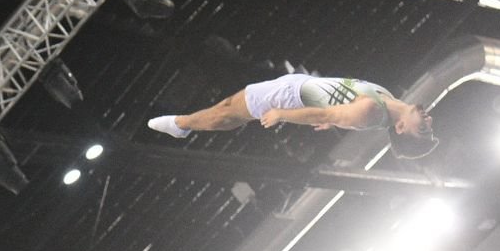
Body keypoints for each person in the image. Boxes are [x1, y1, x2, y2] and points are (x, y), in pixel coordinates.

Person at [147, 72, 437, 159]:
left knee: (228, 111)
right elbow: (337, 112)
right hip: (299, 85)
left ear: (400, 128)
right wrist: (334, 118)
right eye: (429, 126)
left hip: (290, 97)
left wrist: (282, 114)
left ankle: (180, 124)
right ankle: (182, 125)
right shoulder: (388, 100)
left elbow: (325, 112)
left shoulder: (372, 110)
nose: (428, 120)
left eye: (422, 130)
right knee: (232, 110)